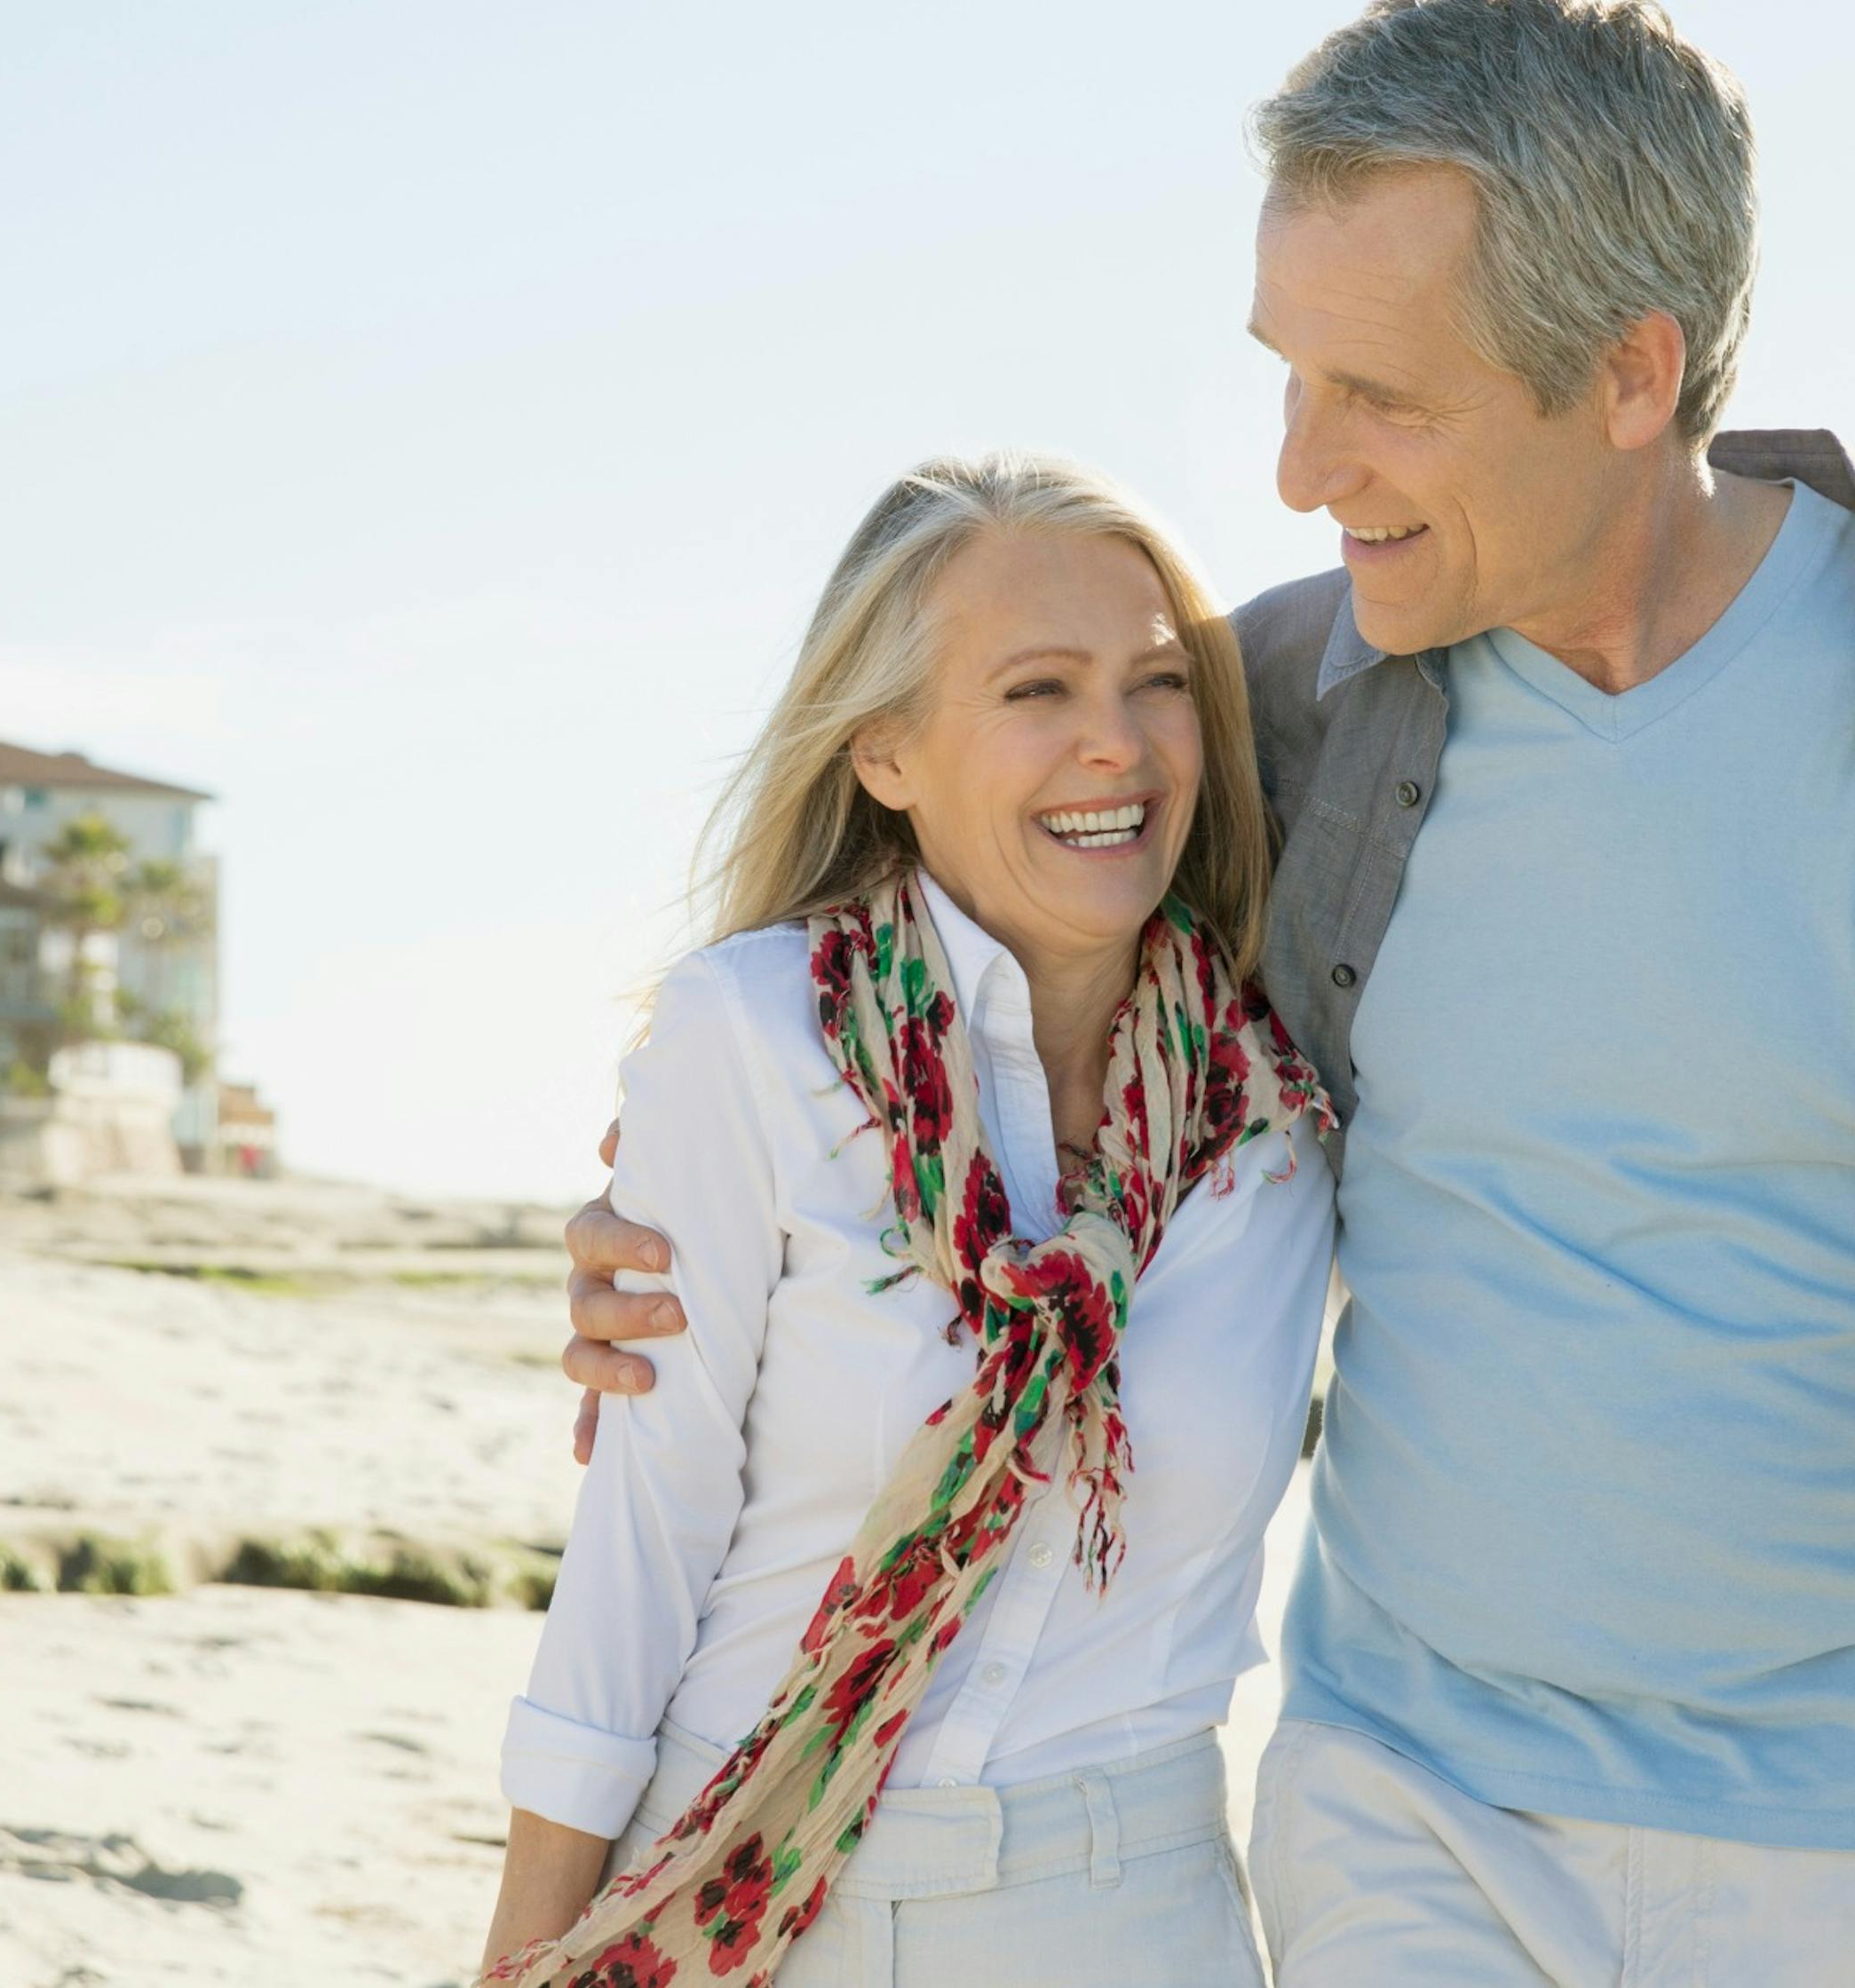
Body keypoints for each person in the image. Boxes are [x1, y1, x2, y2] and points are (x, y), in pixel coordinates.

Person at [558, 4, 1855, 1984]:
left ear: (1632, 377)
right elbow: (938, 938)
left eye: (1382, 398)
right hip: (1409, 1815)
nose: (1295, 472)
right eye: (1288, 377)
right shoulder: (1279, 717)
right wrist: (683, 1200)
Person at [480, 454, 1334, 1986]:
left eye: (1157, 683)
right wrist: (525, 1949)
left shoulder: (1283, 1112)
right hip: (745, 1884)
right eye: (1035, 692)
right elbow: (641, 1548)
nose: (1115, 747)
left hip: (1131, 1919)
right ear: (883, 749)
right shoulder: (754, 1040)